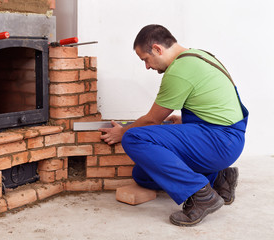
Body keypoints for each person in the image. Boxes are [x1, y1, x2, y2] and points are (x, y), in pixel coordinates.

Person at [99, 24, 248, 226]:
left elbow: (152, 119)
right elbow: (216, 105)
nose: (147, 66)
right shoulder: (200, 55)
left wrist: (122, 132)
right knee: (142, 175)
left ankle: (201, 195)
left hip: (219, 141)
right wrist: (188, 121)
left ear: (158, 49)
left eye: (146, 59)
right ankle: (221, 176)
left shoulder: (179, 70)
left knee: (134, 138)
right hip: (225, 137)